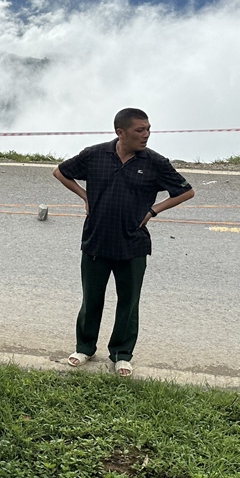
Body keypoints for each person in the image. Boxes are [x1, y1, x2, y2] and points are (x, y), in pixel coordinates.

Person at [53, 108, 195, 377]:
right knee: (91, 298)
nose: (146, 135)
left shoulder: (155, 162)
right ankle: (84, 347)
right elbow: (60, 172)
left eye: (148, 129)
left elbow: (186, 191)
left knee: (128, 302)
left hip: (133, 244)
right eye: (140, 130)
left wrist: (153, 210)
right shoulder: (95, 155)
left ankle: (121, 354)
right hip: (96, 239)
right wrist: (85, 196)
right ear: (121, 132)